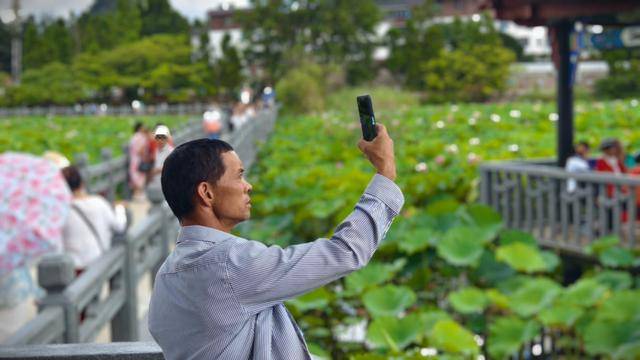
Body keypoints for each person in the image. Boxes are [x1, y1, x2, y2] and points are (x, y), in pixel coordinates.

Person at [148, 124, 403, 359]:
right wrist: (386, 173)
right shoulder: (231, 265)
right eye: (239, 176)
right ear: (206, 192)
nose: (248, 186)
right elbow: (345, 251)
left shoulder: (165, 278)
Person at [61, 165, 127, 273]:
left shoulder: (61, 211)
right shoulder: (99, 202)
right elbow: (120, 226)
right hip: (97, 264)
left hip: (71, 269)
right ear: (82, 183)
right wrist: (120, 209)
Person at [128, 122, 150, 198]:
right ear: (140, 128)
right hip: (140, 159)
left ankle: (135, 195)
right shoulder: (142, 137)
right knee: (140, 176)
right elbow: (141, 150)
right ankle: (139, 195)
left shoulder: (133, 137)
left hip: (133, 159)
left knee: (134, 177)